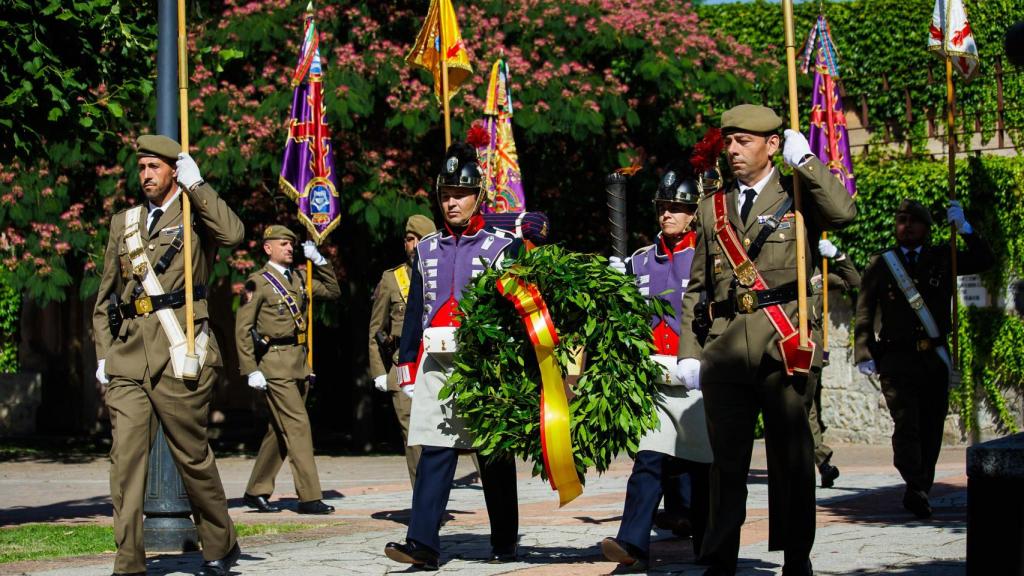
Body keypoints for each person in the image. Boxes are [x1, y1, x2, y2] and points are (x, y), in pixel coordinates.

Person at [677, 104, 856, 576]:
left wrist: (809, 163)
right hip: (726, 348)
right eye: (729, 141)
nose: (733, 150)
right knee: (725, 464)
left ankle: (797, 557)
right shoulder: (712, 206)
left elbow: (845, 212)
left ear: (772, 145)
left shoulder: (798, 190)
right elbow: (697, 287)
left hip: (786, 345)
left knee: (792, 460)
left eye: (745, 141)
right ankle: (719, 559)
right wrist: (689, 353)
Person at [92, 135, 242, 576]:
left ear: (173, 170)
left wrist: (200, 187)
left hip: (180, 349)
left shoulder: (196, 213)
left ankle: (218, 542)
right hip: (129, 356)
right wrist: (104, 352)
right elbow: (105, 298)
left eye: (153, 167)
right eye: (141, 168)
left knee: (191, 456)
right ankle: (129, 564)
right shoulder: (126, 222)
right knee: (125, 464)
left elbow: (233, 234)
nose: (145, 176)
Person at [383, 142, 522, 570]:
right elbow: (414, 312)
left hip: (486, 363)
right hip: (437, 362)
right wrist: (407, 360)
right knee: (436, 449)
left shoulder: (503, 247)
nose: (452, 202)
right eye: (445, 194)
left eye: (460, 194)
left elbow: (519, 312)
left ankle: (504, 538)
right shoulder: (424, 250)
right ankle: (422, 542)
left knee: (493, 454)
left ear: (478, 195)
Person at [602, 162, 713, 571]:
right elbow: (625, 320)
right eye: (663, 206)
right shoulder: (640, 260)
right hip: (655, 375)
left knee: (701, 465)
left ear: (693, 212)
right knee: (648, 458)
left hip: (697, 374)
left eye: (676, 206)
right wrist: (616, 283)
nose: (667, 213)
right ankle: (631, 542)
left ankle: (709, 543)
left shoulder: (707, 256)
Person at [854, 199, 993, 518]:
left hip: (933, 358)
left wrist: (966, 229)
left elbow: (985, 260)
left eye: (913, 221)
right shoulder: (881, 263)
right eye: (901, 220)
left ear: (927, 228)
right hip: (897, 359)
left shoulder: (944, 257)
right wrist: (864, 351)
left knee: (931, 426)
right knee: (907, 425)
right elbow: (864, 310)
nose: (906, 226)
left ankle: (919, 488)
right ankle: (914, 483)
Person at [236, 225, 340, 515]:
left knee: (279, 431)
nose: (290, 248)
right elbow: (242, 329)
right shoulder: (256, 283)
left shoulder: (299, 277)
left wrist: (319, 262)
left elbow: (333, 291)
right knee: (297, 426)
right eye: (283, 244)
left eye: (292, 244)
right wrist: (250, 369)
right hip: (274, 363)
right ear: (268, 248)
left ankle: (255, 490)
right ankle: (309, 497)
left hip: (298, 363)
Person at [368, 214, 437, 487]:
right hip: (402, 367)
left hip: (437, 363)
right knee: (413, 436)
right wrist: (379, 372)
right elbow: (375, 329)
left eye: (419, 240)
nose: (412, 245)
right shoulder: (391, 279)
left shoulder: (443, 272)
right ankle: (424, 501)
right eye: (409, 240)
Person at [808, 237, 861, 488]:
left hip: (812, 351)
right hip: (784, 347)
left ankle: (821, 461)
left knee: (808, 408)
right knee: (806, 410)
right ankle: (822, 461)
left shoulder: (820, 274)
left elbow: (854, 281)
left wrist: (837, 255)